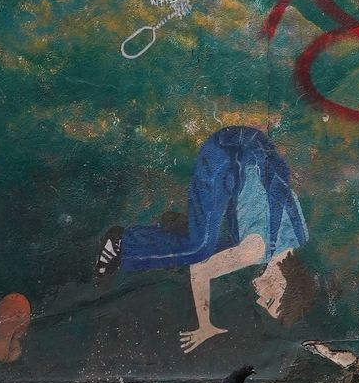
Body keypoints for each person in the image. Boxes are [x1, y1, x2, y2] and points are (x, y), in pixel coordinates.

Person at [96, 125, 316, 353]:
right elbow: (200, 271)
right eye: (270, 301)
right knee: (199, 251)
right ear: (286, 285)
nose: (260, 300)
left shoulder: (299, 236)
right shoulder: (256, 251)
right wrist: (205, 325)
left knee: (222, 248)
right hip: (226, 151)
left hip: (250, 145)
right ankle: (122, 244)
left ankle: (185, 229)